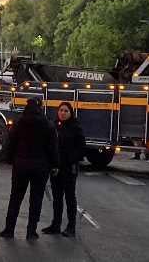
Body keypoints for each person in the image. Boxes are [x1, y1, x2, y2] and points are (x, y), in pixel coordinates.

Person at [0, 97, 59, 240]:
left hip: (21, 165)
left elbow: (10, 141)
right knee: (36, 199)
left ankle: (9, 230)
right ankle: (31, 232)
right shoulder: (47, 124)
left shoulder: (20, 122)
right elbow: (52, 147)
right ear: (40, 107)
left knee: (15, 197)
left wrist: (9, 159)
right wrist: (55, 164)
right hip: (40, 167)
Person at [42, 102, 85, 238]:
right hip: (56, 169)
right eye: (61, 110)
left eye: (66, 111)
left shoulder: (76, 127)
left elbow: (81, 148)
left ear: (70, 113)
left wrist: (71, 159)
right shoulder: (54, 126)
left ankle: (71, 227)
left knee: (70, 198)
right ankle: (56, 225)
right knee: (57, 198)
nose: (63, 113)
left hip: (69, 169)